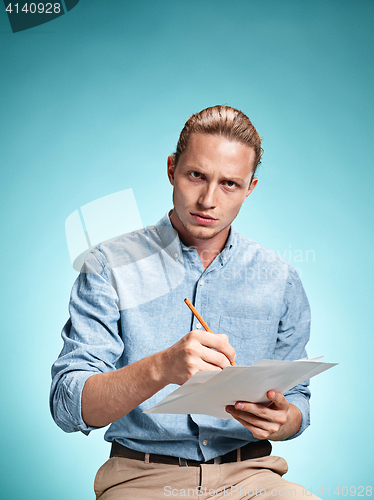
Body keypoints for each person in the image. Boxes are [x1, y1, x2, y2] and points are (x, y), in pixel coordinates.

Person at [50, 105, 318, 500]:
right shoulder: (109, 266)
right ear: (172, 168)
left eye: (229, 184)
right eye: (197, 175)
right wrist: (162, 367)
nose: (209, 199)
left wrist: (284, 419)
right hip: (141, 478)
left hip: (252, 477)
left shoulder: (280, 278)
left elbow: (297, 400)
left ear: (250, 188)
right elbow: (67, 405)